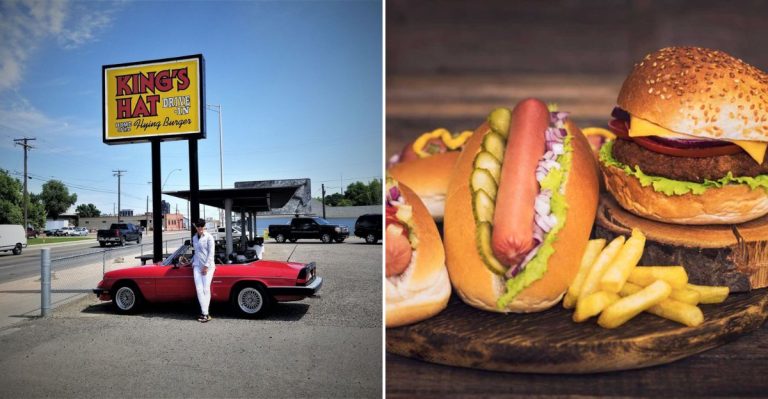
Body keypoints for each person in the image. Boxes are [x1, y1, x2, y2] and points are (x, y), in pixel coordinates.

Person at [192, 218, 215, 322]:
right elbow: (196, 253)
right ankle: (205, 313)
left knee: (206, 289)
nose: (200, 228)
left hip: (208, 267)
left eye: (202, 226)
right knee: (199, 289)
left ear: (204, 226)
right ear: (196, 227)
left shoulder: (209, 237)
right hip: (197, 266)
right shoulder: (194, 238)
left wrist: (206, 266)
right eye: (198, 226)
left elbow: (211, 253)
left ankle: (205, 314)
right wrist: (190, 261)